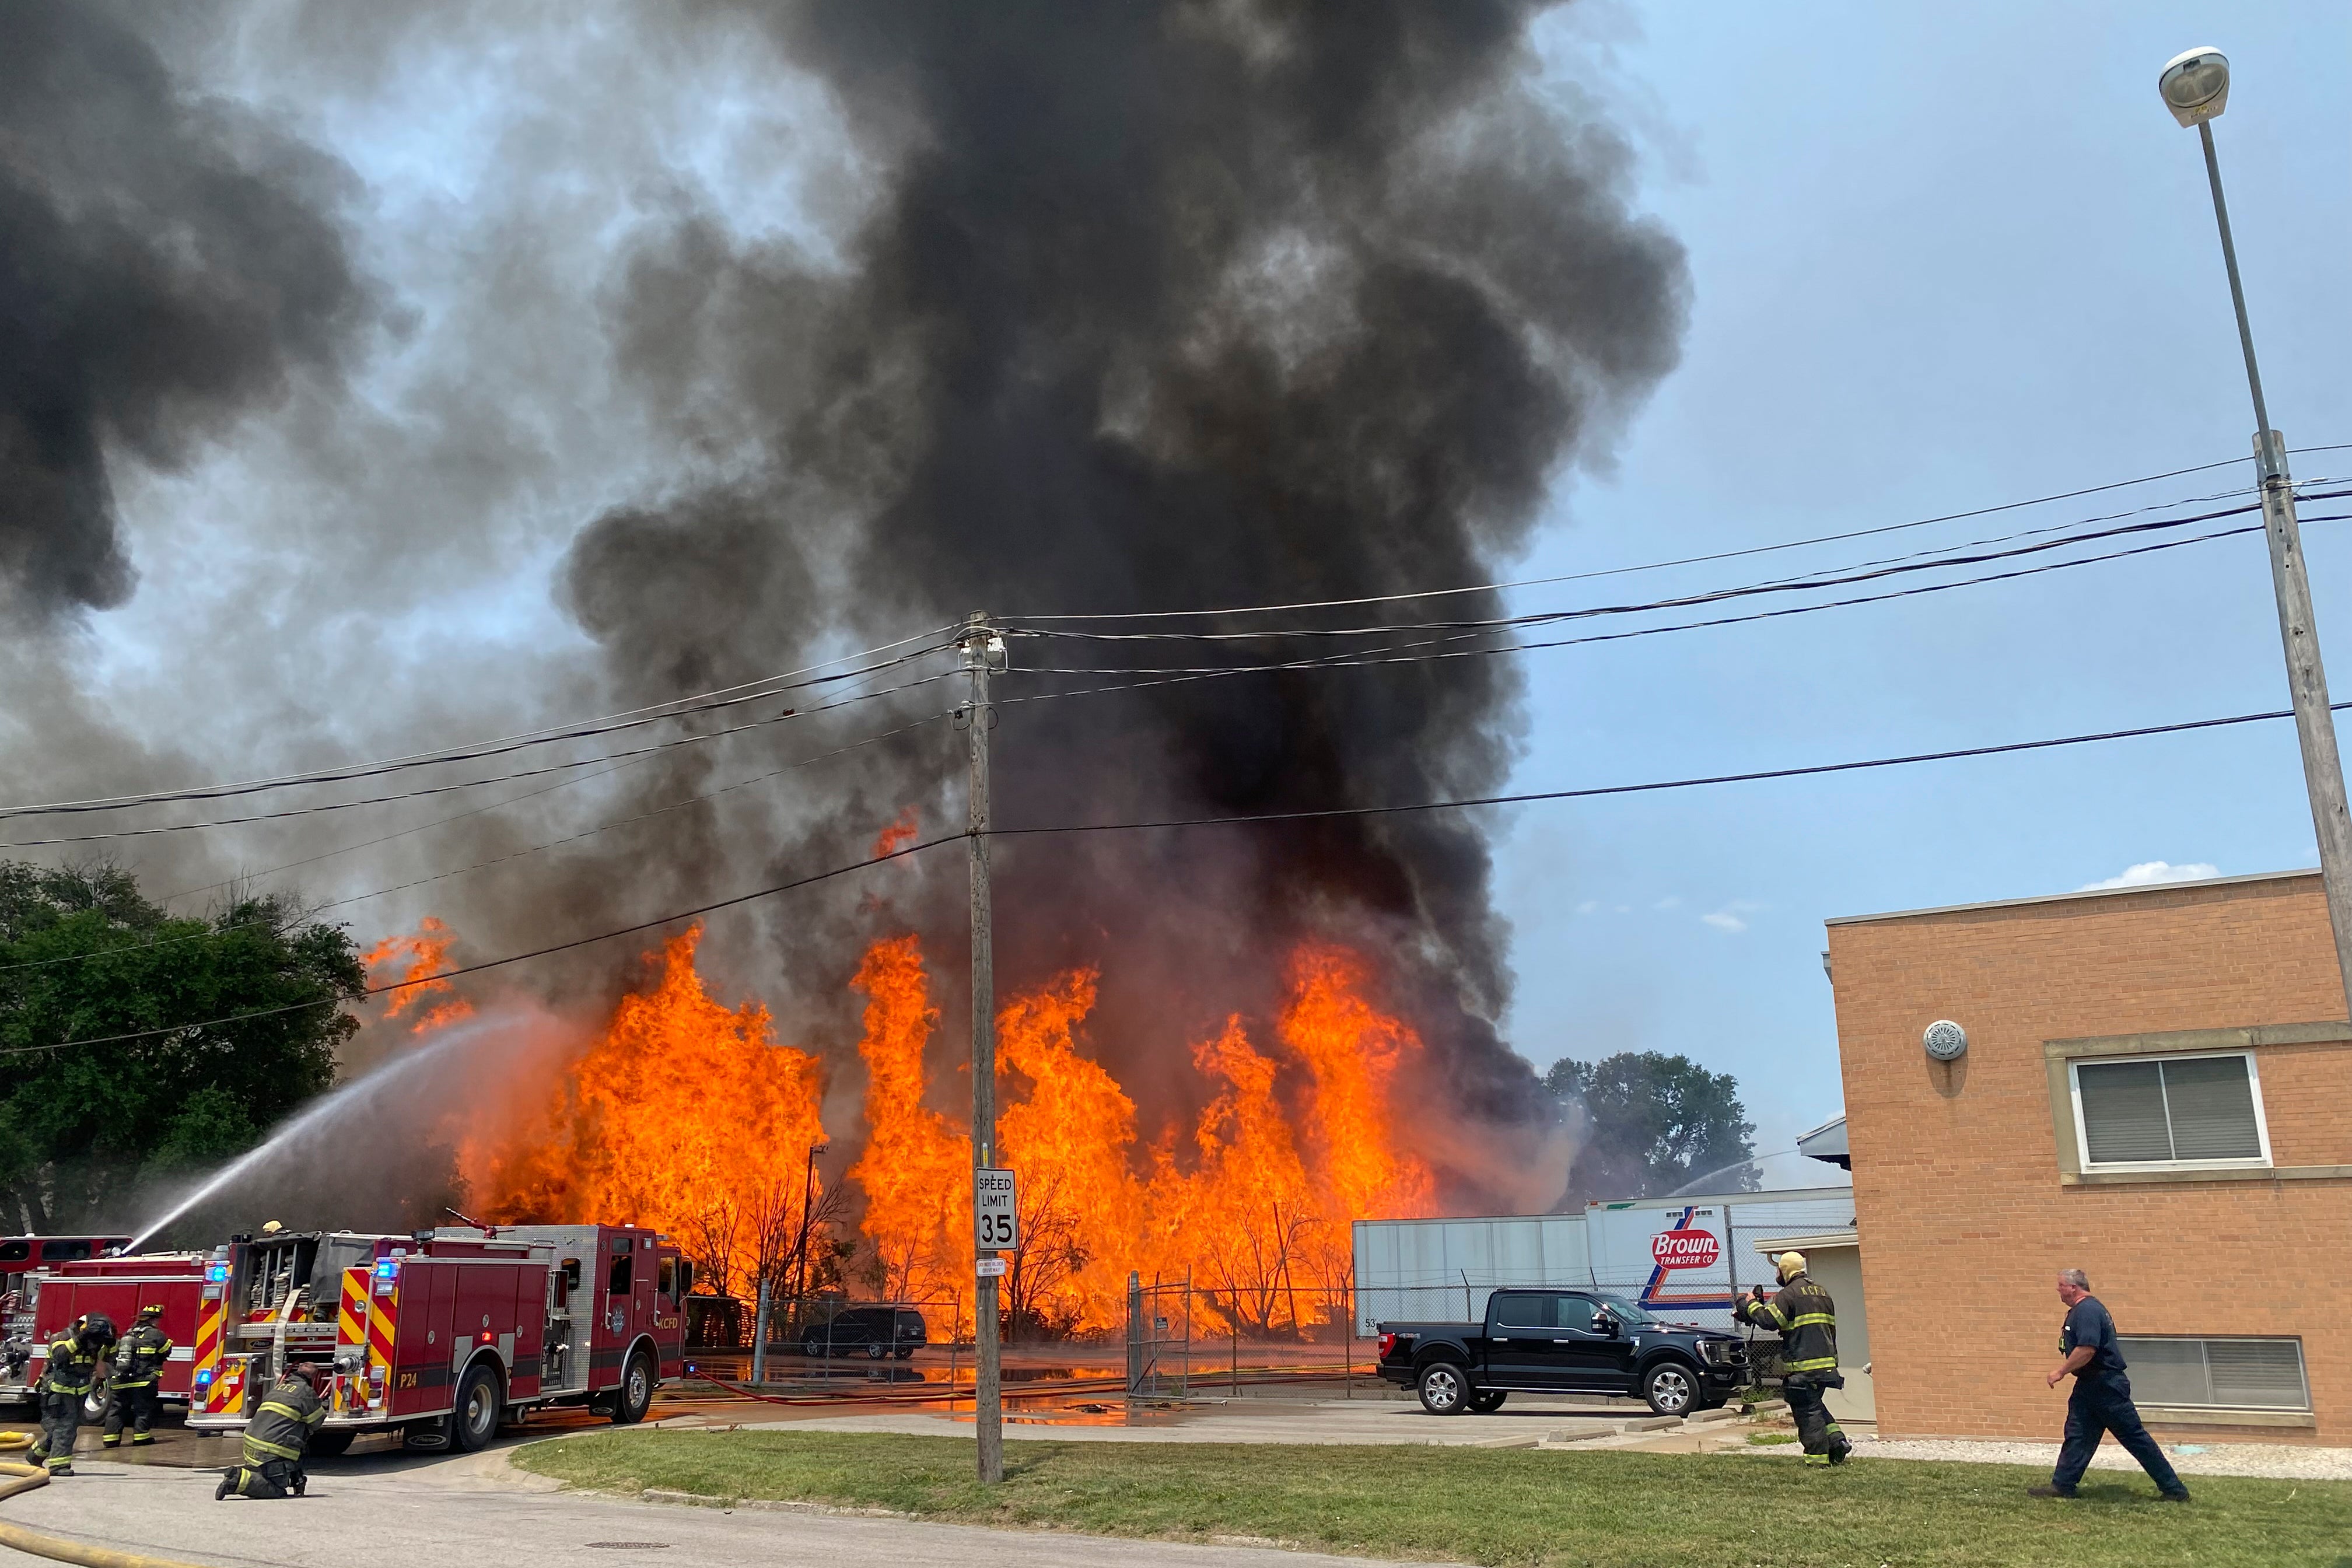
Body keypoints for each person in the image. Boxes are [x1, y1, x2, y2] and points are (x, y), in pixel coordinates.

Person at [2029, 1269, 2189, 1502]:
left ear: (2073, 1287)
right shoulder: (2082, 1310)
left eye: (2061, 1285)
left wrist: (2060, 1372)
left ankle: (2174, 1489)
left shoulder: (2088, 1311)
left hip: (2106, 1385)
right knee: (2078, 1435)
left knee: (2135, 1438)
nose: (2058, 1290)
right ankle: (2063, 1485)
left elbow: (2087, 1349)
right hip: (2089, 1385)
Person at [1737, 1250, 1850, 1466]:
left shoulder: (1789, 1294)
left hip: (1804, 1366)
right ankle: (1838, 1442)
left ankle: (1817, 1460)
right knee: (1814, 1405)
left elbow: (1769, 1321)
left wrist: (1750, 1305)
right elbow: (1800, 1324)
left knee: (1807, 1413)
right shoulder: (1822, 1293)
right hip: (1826, 1364)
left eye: (1778, 1270)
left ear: (1785, 1270)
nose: (1777, 1274)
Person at [215, 1362, 326, 1500]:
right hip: (271, 1448)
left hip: (251, 1442)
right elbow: (316, 1423)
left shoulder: (278, 1388)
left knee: (264, 1474)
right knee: (277, 1489)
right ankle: (236, 1480)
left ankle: (247, 1475)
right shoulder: (306, 1393)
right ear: (313, 1378)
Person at [27, 1314, 117, 1476]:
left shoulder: (96, 1344)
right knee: (65, 1427)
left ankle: (34, 1455)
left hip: (78, 1391)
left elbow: (108, 1363)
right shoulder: (62, 1337)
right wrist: (82, 1338)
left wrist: (109, 1346)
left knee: (62, 1430)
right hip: (57, 1391)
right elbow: (60, 1354)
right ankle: (58, 1466)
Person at [102, 1304, 173, 1448]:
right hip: (143, 1381)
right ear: (153, 1320)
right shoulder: (156, 1334)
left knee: (117, 1410)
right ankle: (141, 1438)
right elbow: (166, 1351)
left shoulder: (128, 1334)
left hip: (121, 1380)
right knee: (143, 1410)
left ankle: (111, 1440)